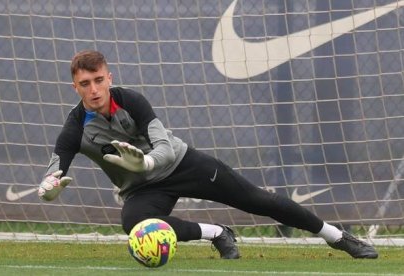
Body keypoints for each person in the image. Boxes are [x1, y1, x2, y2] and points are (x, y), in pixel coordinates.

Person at [38, 50, 378, 259]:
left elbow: (166, 147)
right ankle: (217, 233)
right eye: (85, 83)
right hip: (144, 190)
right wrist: (50, 189)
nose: (94, 89)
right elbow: (55, 170)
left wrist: (146, 162)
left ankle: (337, 237)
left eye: (99, 80)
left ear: (109, 77)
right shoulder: (74, 128)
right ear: (75, 86)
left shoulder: (132, 101)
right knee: (135, 224)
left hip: (183, 164)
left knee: (260, 201)